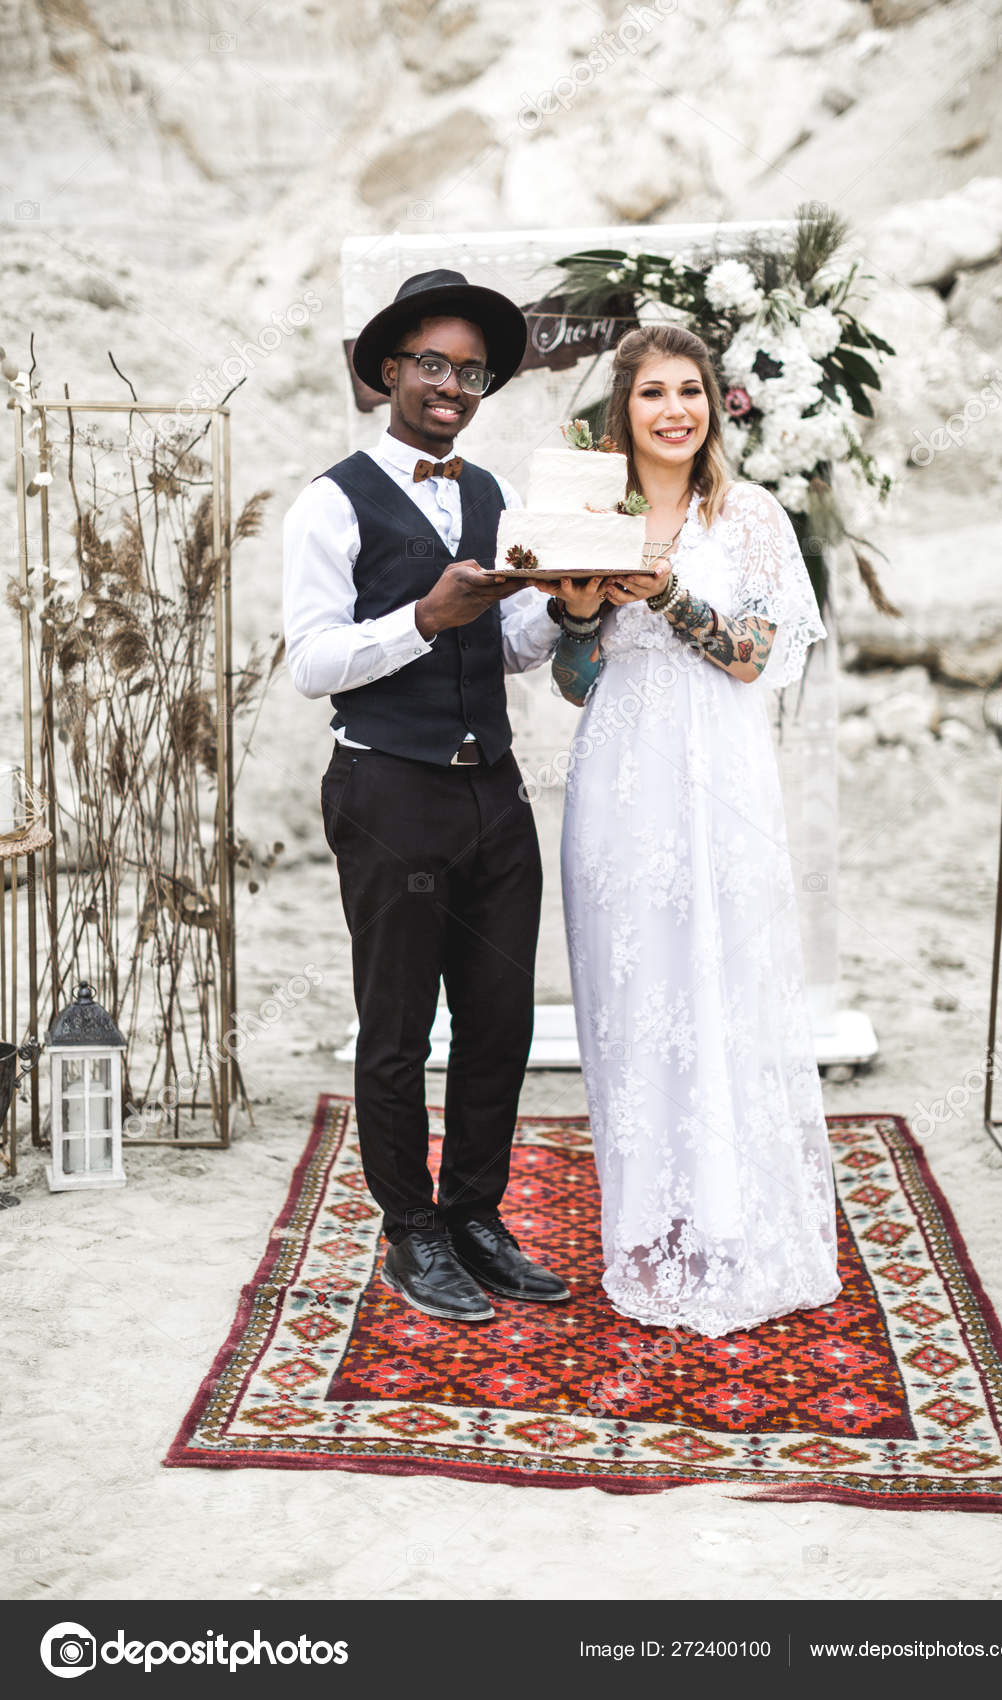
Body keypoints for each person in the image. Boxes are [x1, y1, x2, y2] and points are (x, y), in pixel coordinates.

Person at [283, 269, 583, 1324]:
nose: (453, 384)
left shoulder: (491, 495)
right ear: (389, 370)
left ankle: (474, 1214)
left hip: (490, 794)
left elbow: (501, 643)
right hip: (386, 789)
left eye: (471, 370)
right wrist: (423, 613)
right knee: (398, 1027)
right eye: (433, 364)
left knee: (499, 1020)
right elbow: (312, 661)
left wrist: (562, 610)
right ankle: (409, 1229)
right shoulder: (331, 499)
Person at [539, 323, 843, 1337]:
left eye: (690, 391)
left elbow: (753, 655)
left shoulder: (745, 513)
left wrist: (667, 593)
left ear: (713, 405)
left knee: (721, 975)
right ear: (620, 410)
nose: (673, 410)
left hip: (717, 770)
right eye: (651, 394)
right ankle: (653, 1215)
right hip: (620, 772)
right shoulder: (595, 509)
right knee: (637, 986)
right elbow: (577, 683)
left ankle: (731, 1211)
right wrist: (580, 615)